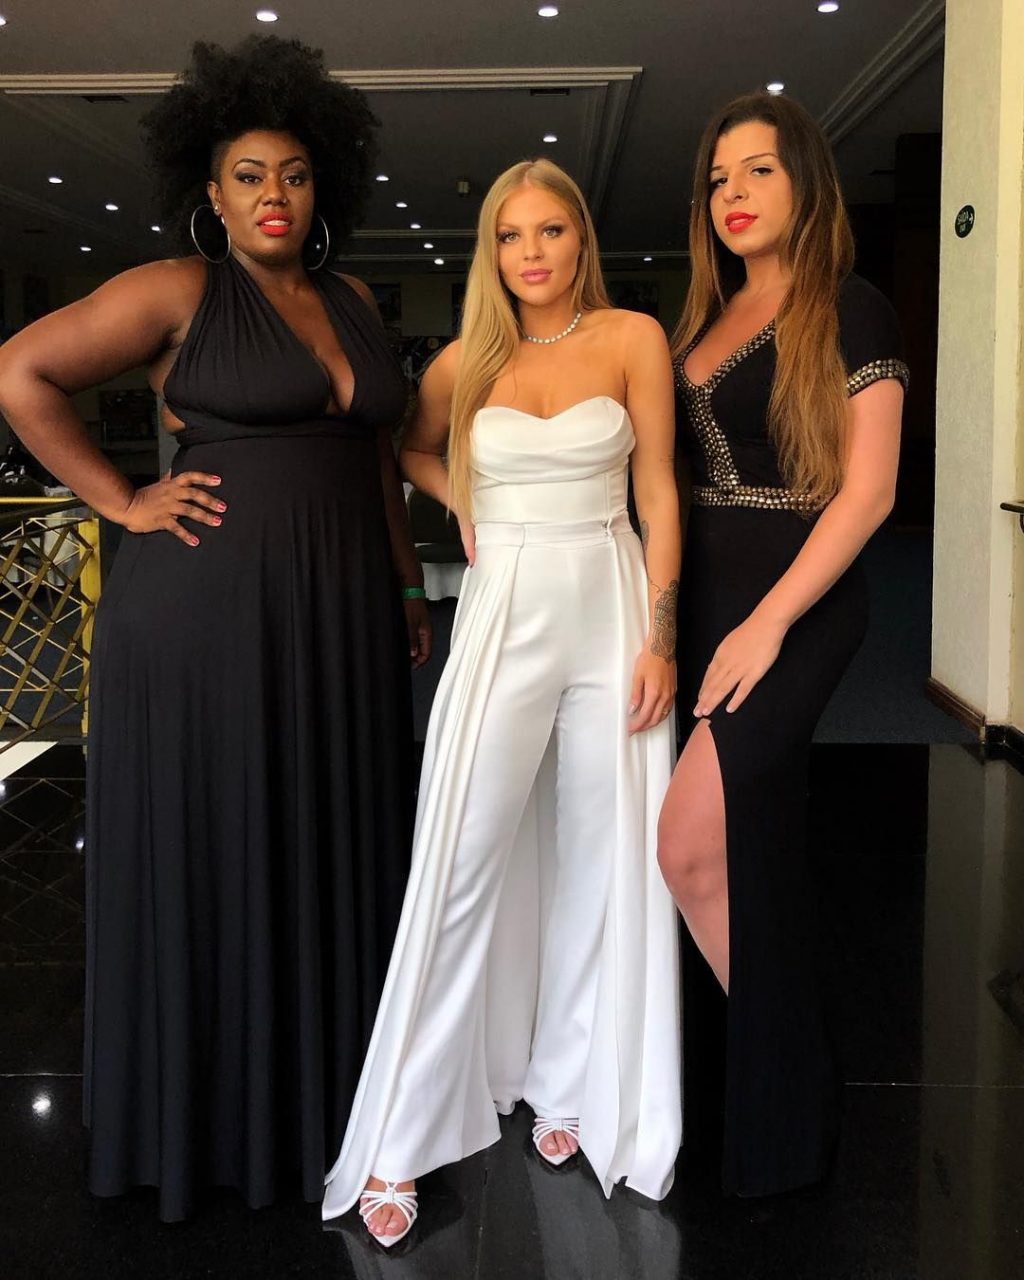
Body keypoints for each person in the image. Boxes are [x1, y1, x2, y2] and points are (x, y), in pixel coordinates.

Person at [0, 35, 430, 1222]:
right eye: (249, 176)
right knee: (224, 840)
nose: (273, 195)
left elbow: (375, 460)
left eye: (292, 173)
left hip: (339, 616)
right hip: (202, 621)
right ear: (212, 192)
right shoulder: (177, 291)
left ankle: (337, 1104)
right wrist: (122, 497)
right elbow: (20, 371)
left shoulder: (351, 301)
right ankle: (214, 1121)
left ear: (320, 185)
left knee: (326, 836)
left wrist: (405, 587)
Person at [321, 158, 683, 1246]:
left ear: (580, 239)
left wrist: (661, 634)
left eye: (551, 230)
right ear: (492, 250)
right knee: (463, 857)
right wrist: (464, 501)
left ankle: (568, 1078)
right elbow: (404, 447)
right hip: (504, 607)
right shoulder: (465, 359)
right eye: (511, 235)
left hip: (611, 600)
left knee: (599, 848)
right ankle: (400, 1130)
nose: (532, 252)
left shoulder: (633, 338)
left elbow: (659, 489)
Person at [658, 91, 907, 1197]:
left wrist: (768, 621)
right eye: (718, 178)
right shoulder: (700, 318)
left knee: (686, 845)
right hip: (707, 597)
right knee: (743, 841)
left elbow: (869, 492)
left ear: (805, 180)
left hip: (792, 604)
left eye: (758, 170)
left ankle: (793, 1073)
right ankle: (773, 1067)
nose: (734, 194)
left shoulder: (851, 305)